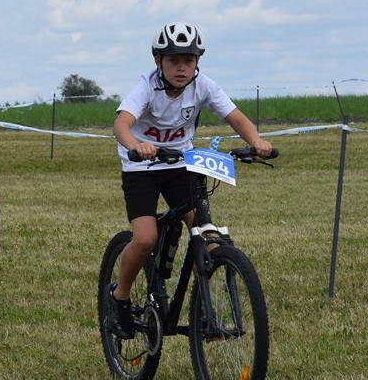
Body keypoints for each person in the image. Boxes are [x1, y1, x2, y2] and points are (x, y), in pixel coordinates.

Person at [110, 23, 272, 338]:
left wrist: (256, 141)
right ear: (158, 60)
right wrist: (135, 145)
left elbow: (236, 117)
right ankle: (120, 297)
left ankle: (205, 313)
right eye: (173, 60)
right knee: (145, 239)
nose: (181, 68)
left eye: (189, 60)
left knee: (205, 235)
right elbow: (121, 124)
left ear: (198, 61)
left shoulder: (203, 86)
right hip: (141, 168)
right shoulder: (146, 87)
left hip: (180, 164)